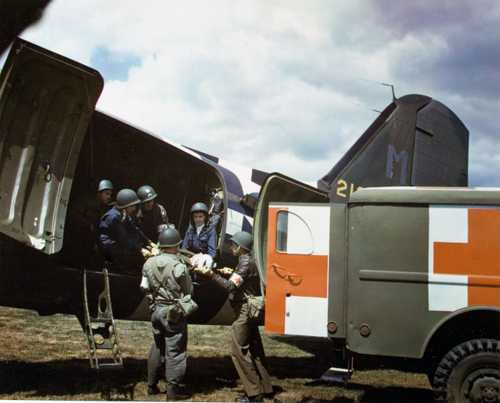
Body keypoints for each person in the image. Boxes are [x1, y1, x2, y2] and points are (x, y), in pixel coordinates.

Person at [195, 231, 272, 402]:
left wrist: (211, 275)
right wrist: (230, 272)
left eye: (233, 244)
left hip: (243, 312)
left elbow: (230, 287)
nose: (231, 247)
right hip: (251, 310)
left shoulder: (244, 262)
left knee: (238, 352)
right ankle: (266, 388)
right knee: (255, 350)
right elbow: (242, 280)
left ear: (240, 247)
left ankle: (254, 394)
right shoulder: (249, 260)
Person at [141, 228, 194, 401]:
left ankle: (151, 386)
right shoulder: (179, 266)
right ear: (176, 245)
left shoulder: (148, 263)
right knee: (175, 352)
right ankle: (172, 393)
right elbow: (188, 291)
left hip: (156, 311)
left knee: (157, 346)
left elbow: (144, 287)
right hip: (173, 314)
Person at [97, 188, 147, 271]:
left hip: (117, 247)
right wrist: (140, 249)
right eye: (132, 206)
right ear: (125, 205)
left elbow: (134, 229)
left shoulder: (123, 213)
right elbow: (123, 238)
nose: (134, 208)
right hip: (108, 251)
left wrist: (148, 242)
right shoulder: (113, 217)